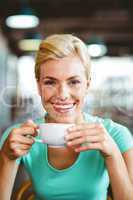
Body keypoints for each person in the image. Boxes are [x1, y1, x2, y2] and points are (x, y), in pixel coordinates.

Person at [0, 34, 133, 200]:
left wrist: (112, 154)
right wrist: (7, 157)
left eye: (73, 82)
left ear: (87, 84)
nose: (62, 95)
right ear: (39, 86)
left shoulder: (116, 135)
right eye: (50, 82)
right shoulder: (17, 137)